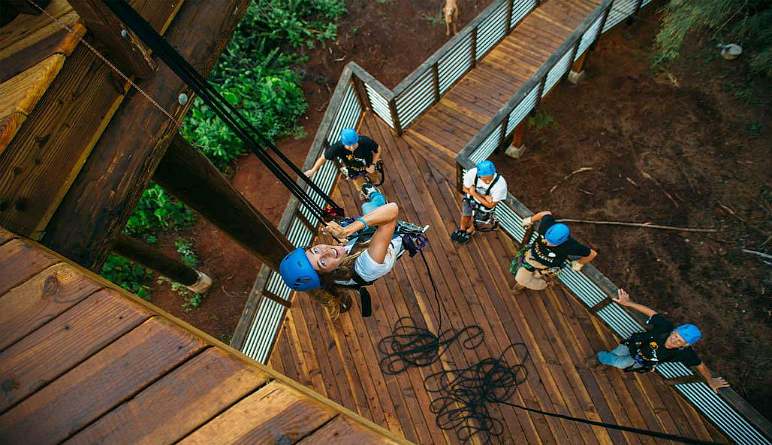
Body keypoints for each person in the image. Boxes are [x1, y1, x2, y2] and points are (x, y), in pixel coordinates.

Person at [279, 201, 426, 319]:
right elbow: (392, 210)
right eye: (322, 262)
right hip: (395, 233)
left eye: (315, 250)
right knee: (373, 203)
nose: (325, 252)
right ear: (327, 274)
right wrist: (348, 229)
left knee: (368, 204)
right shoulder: (368, 266)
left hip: (372, 237)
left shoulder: (336, 271)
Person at [596, 289, 730, 393]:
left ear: (685, 345)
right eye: (675, 335)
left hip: (641, 361)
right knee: (617, 353)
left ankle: (601, 358)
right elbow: (652, 313)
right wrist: (628, 303)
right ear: (674, 331)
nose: (673, 340)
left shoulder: (685, 353)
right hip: (631, 345)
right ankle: (605, 358)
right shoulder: (665, 327)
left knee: (619, 363)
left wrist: (710, 380)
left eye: (679, 341)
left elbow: (700, 365)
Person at [514, 210, 597, 290]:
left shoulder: (570, 246)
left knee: (530, 278)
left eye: (551, 242)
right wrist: (530, 220)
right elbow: (546, 213)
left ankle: (545, 284)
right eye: (546, 238)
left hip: (547, 267)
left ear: (563, 241)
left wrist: (579, 263)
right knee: (520, 278)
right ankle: (532, 279)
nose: (545, 242)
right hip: (532, 258)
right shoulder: (545, 227)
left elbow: (592, 254)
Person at [305, 128, 381, 193]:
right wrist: (313, 170)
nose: (352, 148)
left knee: (374, 178)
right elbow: (323, 158)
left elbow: (378, 149)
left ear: (357, 139)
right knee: (360, 186)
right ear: (343, 143)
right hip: (353, 170)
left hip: (369, 165)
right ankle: (363, 193)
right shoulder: (337, 147)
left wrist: (373, 164)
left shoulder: (364, 141)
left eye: (354, 144)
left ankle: (376, 185)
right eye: (349, 145)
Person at [451, 160, 507, 244]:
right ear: (479, 175)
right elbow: (464, 189)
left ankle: (469, 231)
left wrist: (474, 193)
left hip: (484, 207)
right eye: (484, 179)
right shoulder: (472, 174)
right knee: (466, 214)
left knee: (478, 220)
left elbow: (490, 205)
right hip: (470, 199)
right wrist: (483, 196)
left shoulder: (500, 185)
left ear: (493, 173)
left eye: (490, 178)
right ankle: (462, 229)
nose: (487, 181)